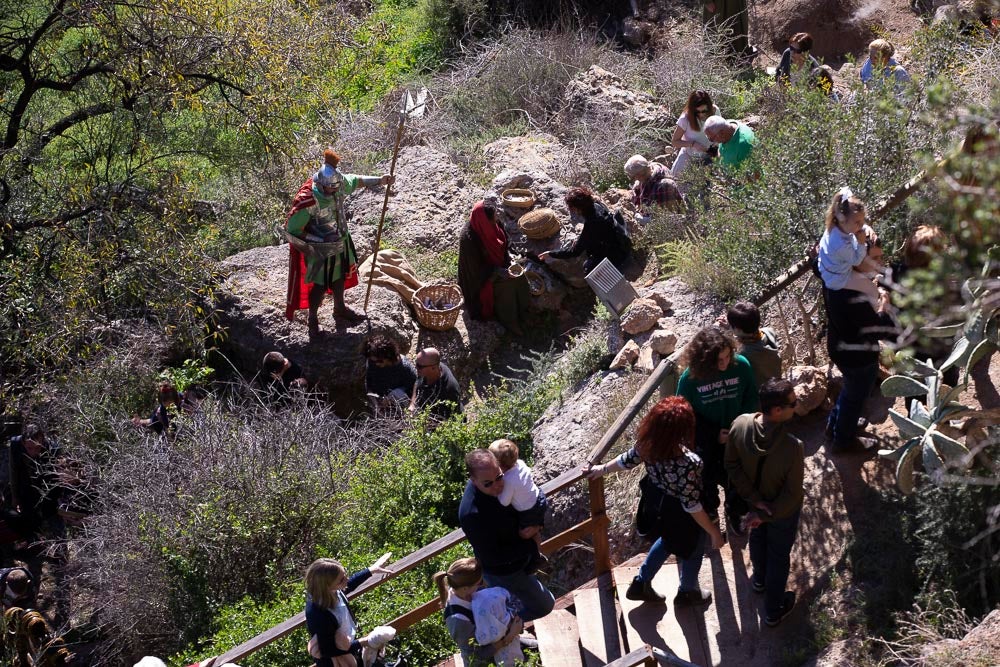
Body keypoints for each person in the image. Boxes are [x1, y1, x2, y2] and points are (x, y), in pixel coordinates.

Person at [586, 397, 724, 605]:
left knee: (667, 540)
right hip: (683, 513)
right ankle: (688, 592)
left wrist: (601, 469)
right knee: (693, 549)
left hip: (660, 504)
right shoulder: (689, 462)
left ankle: (641, 583)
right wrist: (713, 532)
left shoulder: (648, 445)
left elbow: (626, 461)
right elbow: (691, 505)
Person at [284, 149, 395, 338]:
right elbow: (292, 230)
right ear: (322, 184)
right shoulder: (309, 200)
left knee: (340, 276)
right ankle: (312, 318)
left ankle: (340, 308)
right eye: (332, 189)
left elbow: (356, 180)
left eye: (337, 187)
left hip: (341, 240)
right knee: (319, 285)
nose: (336, 191)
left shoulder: (337, 184)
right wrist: (319, 240)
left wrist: (380, 180)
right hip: (320, 248)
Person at [724, 378, 804, 627]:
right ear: (777, 410)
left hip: (752, 505)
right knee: (778, 557)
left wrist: (754, 501)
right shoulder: (792, 447)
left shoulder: (740, 424)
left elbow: (732, 465)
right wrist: (767, 512)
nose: (797, 405)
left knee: (757, 538)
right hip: (781, 513)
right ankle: (773, 611)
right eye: (793, 403)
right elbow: (792, 494)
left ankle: (759, 580)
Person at [676, 327, 758, 530]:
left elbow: (751, 398)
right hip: (706, 441)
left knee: (738, 478)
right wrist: (713, 434)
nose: (725, 363)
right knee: (706, 480)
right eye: (718, 360)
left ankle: (735, 511)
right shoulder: (690, 378)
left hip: (736, 434)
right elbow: (684, 415)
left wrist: (739, 427)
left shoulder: (741, 366)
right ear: (704, 360)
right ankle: (711, 514)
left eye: (728, 356)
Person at [458, 449, 554, 622]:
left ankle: (505, 624)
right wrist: (531, 544)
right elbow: (492, 556)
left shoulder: (507, 476)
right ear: (473, 480)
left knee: (518, 603)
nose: (497, 486)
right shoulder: (471, 514)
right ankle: (502, 628)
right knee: (545, 605)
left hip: (520, 559)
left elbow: (531, 497)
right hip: (504, 571)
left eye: (499, 477)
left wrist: (537, 524)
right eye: (488, 483)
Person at [824, 255, 898, 451]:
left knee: (850, 391)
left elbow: (816, 263)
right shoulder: (853, 295)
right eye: (873, 257)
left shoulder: (832, 274)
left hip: (839, 345)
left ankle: (834, 426)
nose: (879, 262)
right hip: (858, 356)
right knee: (856, 396)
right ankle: (844, 441)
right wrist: (884, 305)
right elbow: (878, 329)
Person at [304, 555, 392, 667]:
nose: (346, 579)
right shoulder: (318, 613)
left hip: (347, 647)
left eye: (345, 574)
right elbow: (328, 650)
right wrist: (364, 642)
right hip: (334, 661)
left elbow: (348, 585)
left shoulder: (331, 591)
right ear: (326, 585)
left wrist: (371, 570)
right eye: (341, 580)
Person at [457, 201, 531, 336]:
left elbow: (505, 243)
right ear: (484, 221)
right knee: (506, 285)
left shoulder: (494, 224)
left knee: (520, 277)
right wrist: (500, 272)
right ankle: (510, 320)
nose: (496, 220)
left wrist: (508, 262)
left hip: (497, 265)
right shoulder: (468, 240)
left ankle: (523, 311)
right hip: (479, 279)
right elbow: (476, 270)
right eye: (493, 218)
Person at [434, 557, 523, 667]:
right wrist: (508, 638)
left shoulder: (466, 591)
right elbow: (475, 656)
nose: (483, 584)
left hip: (506, 642)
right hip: (487, 661)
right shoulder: (458, 621)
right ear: (465, 588)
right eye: (479, 582)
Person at [538, 187, 631, 275]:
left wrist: (550, 254)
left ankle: (614, 273)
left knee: (587, 268)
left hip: (617, 255)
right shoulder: (597, 206)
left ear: (577, 208)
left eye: (571, 207)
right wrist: (582, 240)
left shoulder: (592, 223)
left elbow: (574, 252)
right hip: (619, 242)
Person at [817, 188, 885, 302]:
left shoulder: (836, 225)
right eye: (858, 222)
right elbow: (856, 261)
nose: (861, 225)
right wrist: (861, 243)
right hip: (838, 278)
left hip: (829, 267)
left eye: (862, 221)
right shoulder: (839, 244)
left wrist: (865, 228)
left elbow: (857, 226)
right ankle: (877, 309)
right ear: (843, 220)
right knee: (872, 289)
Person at [487, 439, 547, 553]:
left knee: (523, 534)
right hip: (539, 497)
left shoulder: (508, 481)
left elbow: (504, 502)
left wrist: (496, 494)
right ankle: (538, 527)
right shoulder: (520, 463)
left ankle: (538, 530)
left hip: (528, 511)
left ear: (499, 465)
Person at [726, 301, 782, 386]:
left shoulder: (743, 354)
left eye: (731, 325)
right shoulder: (769, 332)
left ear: (738, 329)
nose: (730, 327)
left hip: (762, 391)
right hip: (776, 382)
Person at [670, 90, 721, 180]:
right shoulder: (685, 118)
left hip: (709, 156)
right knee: (677, 181)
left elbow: (720, 130)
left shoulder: (715, 111)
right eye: (697, 112)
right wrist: (693, 144)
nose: (701, 114)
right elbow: (675, 142)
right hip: (689, 156)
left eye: (704, 111)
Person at [363, 336, 417, 413]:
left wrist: (391, 398)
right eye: (373, 361)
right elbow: (369, 384)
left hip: (400, 399)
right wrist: (375, 402)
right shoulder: (372, 362)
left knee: (397, 393)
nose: (376, 364)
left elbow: (416, 384)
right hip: (380, 399)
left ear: (388, 356)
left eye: (379, 361)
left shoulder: (404, 367)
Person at [409, 348, 463, 422]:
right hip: (424, 409)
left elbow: (447, 421)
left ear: (433, 368)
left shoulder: (449, 390)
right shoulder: (424, 370)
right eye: (416, 364)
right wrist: (412, 404)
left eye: (419, 366)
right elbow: (417, 382)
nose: (416, 367)